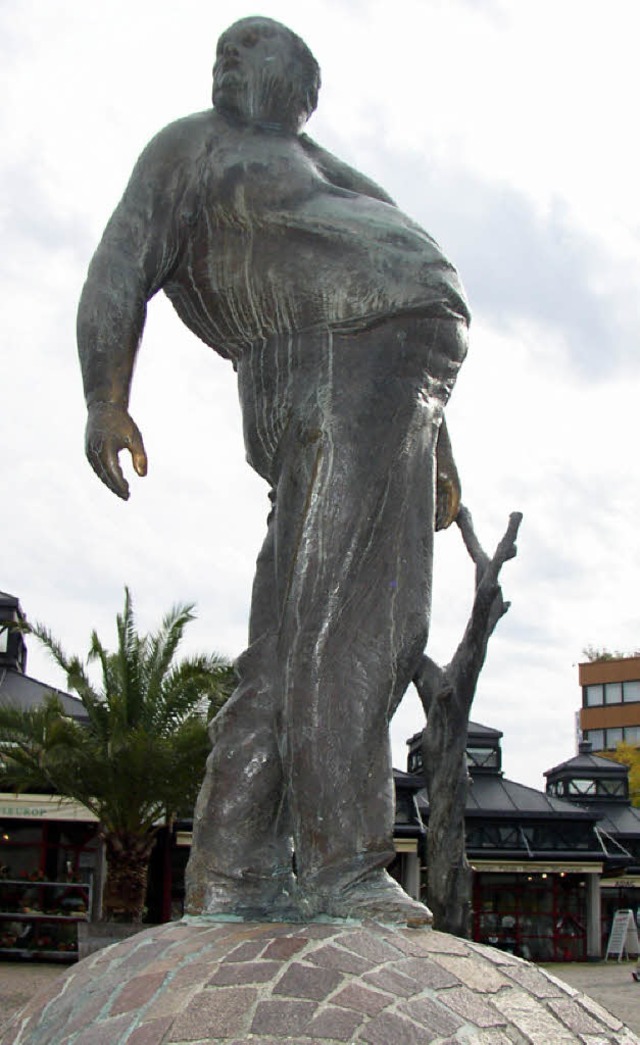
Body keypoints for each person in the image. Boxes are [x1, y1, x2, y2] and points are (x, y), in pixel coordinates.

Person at [77, 16, 470, 924]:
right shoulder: (191, 147)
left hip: (392, 389)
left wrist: (441, 442)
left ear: (302, 85)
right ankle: (342, 864)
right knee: (353, 619)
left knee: (309, 627)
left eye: (252, 47)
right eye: (223, 47)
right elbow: (118, 264)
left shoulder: (308, 155)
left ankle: (235, 863)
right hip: (331, 367)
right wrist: (106, 396)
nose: (226, 54)